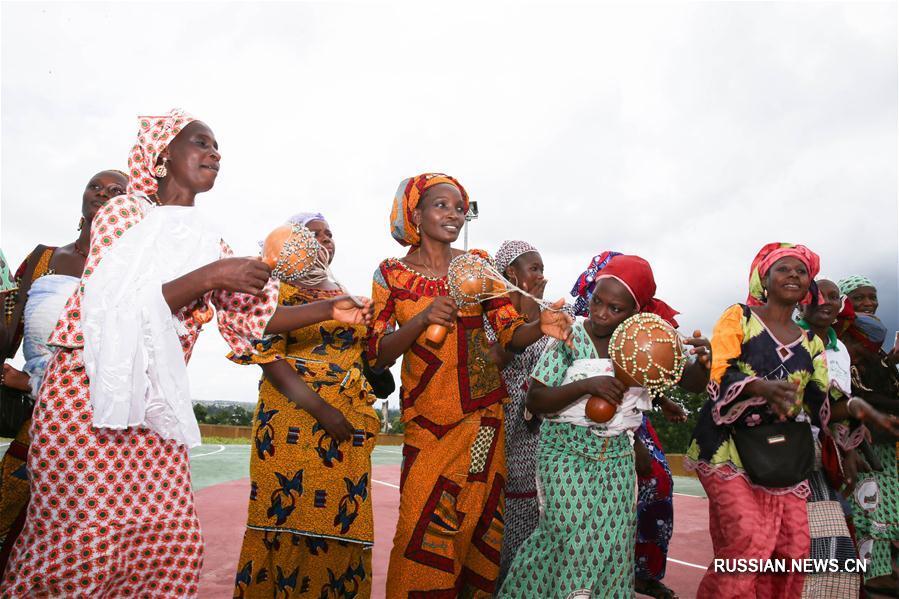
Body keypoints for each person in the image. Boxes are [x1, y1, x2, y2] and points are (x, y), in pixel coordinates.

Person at [1, 110, 371, 597]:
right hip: (86, 403)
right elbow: (110, 310)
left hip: (154, 410)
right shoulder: (123, 215)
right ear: (161, 155)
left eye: (218, 147)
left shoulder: (209, 239)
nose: (214, 153)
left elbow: (252, 319)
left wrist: (329, 308)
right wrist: (212, 276)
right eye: (201, 142)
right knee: (80, 552)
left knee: (169, 544)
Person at [367, 173, 572, 597]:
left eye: (460, 208)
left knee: (476, 523)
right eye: (441, 205)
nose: (454, 215)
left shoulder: (476, 266)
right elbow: (379, 354)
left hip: (484, 421)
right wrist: (422, 319)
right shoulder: (392, 276)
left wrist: (541, 325)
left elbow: (510, 333)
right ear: (416, 214)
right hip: (429, 424)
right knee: (419, 529)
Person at [498, 254, 710, 598]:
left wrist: (704, 361)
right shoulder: (570, 336)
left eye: (615, 309)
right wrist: (586, 385)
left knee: (613, 541)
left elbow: (693, 382)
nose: (600, 313)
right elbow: (535, 401)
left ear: (636, 313)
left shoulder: (644, 343)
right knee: (566, 533)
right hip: (564, 451)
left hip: (616, 460)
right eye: (597, 301)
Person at [232, 212, 380, 598]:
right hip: (290, 424)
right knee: (285, 515)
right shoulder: (274, 288)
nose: (322, 241)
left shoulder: (343, 290)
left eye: (328, 233)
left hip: (348, 425)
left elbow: (371, 360)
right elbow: (268, 356)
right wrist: (323, 411)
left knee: (341, 521)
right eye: (310, 235)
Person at [0, 169, 128, 575]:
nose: (103, 194)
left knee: (78, 534)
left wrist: (30, 381)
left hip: (100, 424)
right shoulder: (43, 258)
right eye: (96, 186)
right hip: (38, 422)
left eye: (115, 191)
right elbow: (8, 340)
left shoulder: (130, 270)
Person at [686, 242, 831, 598]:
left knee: (793, 549)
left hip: (783, 456)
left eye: (801, 271)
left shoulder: (812, 342)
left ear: (808, 286)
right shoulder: (740, 318)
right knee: (747, 542)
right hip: (727, 449)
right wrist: (761, 387)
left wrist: (855, 410)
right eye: (783, 269)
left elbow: (820, 398)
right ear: (763, 280)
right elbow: (719, 372)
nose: (793, 275)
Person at [570, 251, 688, 599]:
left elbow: (650, 366)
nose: (604, 309)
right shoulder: (583, 318)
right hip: (582, 413)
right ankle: (577, 570)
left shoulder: (646, 323)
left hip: (632, 408)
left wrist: (664, 400)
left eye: (619, 303)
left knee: (658, 480)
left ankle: (642, 572)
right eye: (599, 297)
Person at [485, 240, 550, 583]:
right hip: (496, 427)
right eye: (534, 268)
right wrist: (526, 317)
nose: (542, 275)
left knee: (527, 518)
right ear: (511, 273)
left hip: (532, 437)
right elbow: (497, 359)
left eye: (542, 268)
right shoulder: (489, 314)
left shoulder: (547, 315)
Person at [836, 275, 899, 596]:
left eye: (872, 296)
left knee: (883, 505)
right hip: (861, 441)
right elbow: (859, 395)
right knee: (869, 505)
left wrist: (893, 359)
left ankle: (881, 570)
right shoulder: (844, 346)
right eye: (859, 298)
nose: (869, 303)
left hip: (884, 441)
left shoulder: (873, 349)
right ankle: (872, 574)